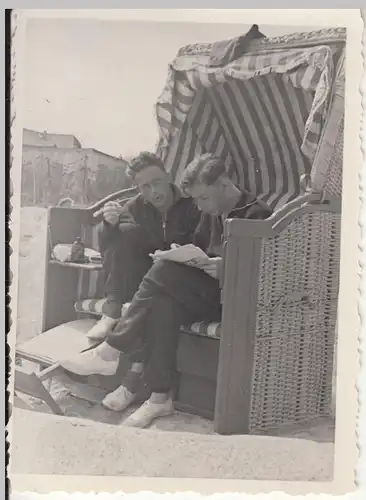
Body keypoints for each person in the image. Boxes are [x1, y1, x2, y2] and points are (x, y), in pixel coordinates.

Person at [60, 153, 272, 428]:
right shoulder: (212, 210)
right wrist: (183, 256)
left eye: (202, 198)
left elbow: (268, 274)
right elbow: (200, 248)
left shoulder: (259, 214)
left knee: (162, 273)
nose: (199, 206)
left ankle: (111, 349)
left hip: (235, 298)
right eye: (195, 199)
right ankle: (160, 398)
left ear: (223, 183)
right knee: (162, 303)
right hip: (207, 292)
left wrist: (226, 268)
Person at [86, 151, 201, 340]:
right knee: (119, 238)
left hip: (178, 282)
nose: (154, 191)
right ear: (138, 189)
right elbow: (112, 247)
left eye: (157, 182)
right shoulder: (134, 207)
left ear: (167, 177)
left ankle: (123, 340)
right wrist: (109, 224)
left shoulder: (192, 206)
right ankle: (112, 312)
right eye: (145, 187)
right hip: (142, 280)